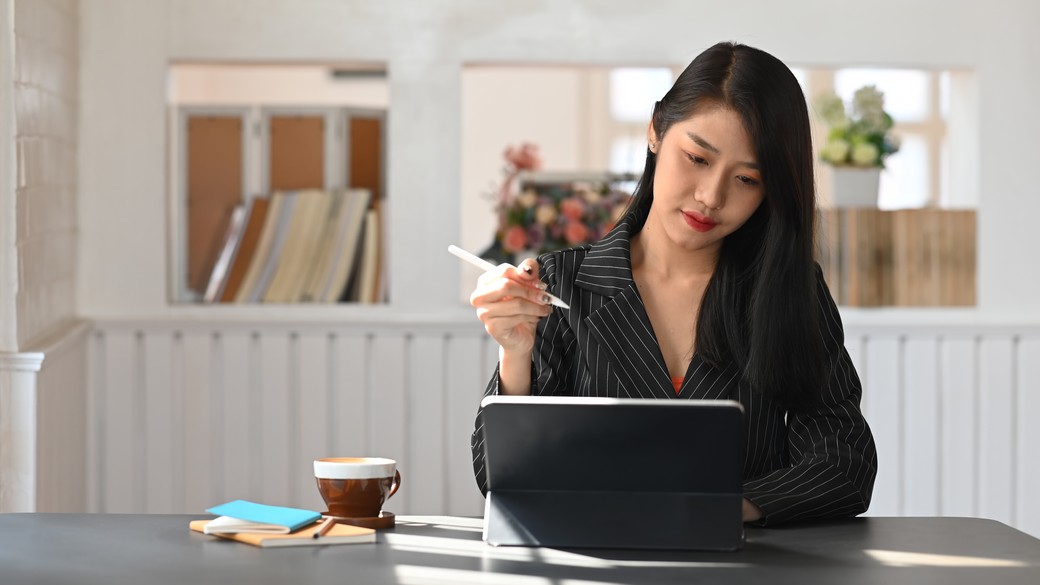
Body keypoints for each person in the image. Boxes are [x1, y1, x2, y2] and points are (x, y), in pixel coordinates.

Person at [468, 41, 877, 526]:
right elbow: (499, 477)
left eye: (747, 180)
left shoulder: (790, 292)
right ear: (656, 131)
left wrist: (728, 508)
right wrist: (514, 355)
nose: (710, 197)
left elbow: (844, 461)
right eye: (698, 158)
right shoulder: (563, 283)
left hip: (748, 567)